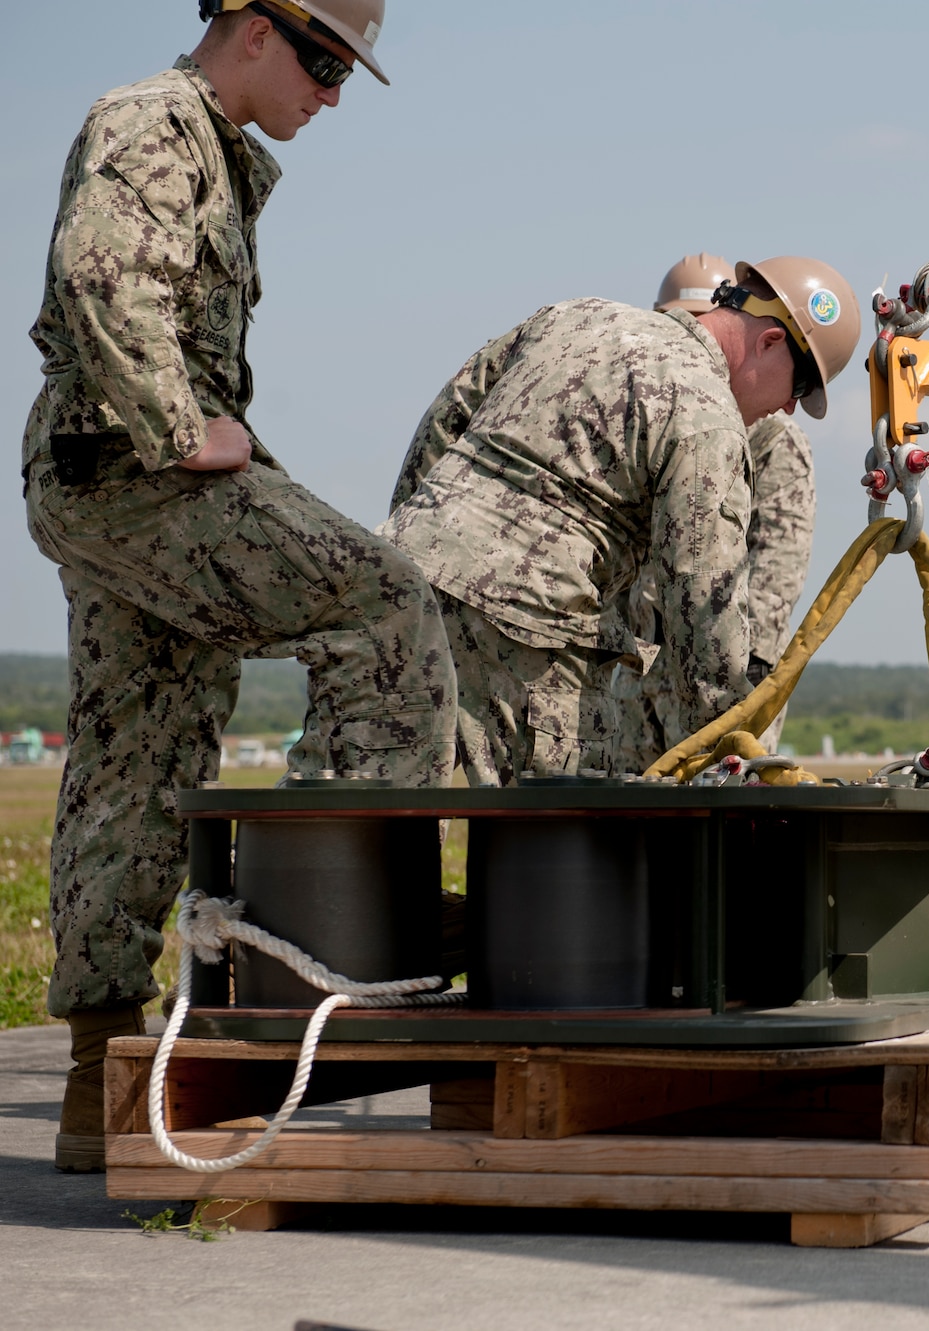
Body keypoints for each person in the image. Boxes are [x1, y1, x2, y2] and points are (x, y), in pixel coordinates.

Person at [22, 1, 454, 1174]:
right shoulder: (155, 118)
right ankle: (325, 972)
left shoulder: (214, 148)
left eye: (346, 73)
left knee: (137, 748)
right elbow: (96, 273)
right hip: (136, 473)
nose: (331, 92)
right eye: (323, 62)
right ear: (249, 28)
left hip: (105, 480)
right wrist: (182, 429)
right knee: (385, 603)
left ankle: (96, 1077)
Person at [383, 257, 858, 785]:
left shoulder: (579, 316)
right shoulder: (708, 416)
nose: (790, 409)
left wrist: (409, 552)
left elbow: (447, 418)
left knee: (373, 821)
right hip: (533, 631)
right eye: (799, 388)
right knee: (559, 843)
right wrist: (729, 739)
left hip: (400, 590)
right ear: (769, 341)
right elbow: (704, 596)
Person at [606, 253, 817, 773]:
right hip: (640, 660)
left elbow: (781, 554)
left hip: (721, 661)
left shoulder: (770, 436)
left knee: (719, 819)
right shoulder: (653, 405)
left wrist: (753, 668)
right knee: (632, 814)